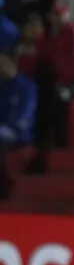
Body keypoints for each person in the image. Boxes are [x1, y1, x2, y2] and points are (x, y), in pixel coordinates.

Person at [0, 46, 38, 198]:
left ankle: (3, 190)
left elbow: (24, 116)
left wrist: (9, 127)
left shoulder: (26, 86)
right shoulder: (3, 85)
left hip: (19, 133)